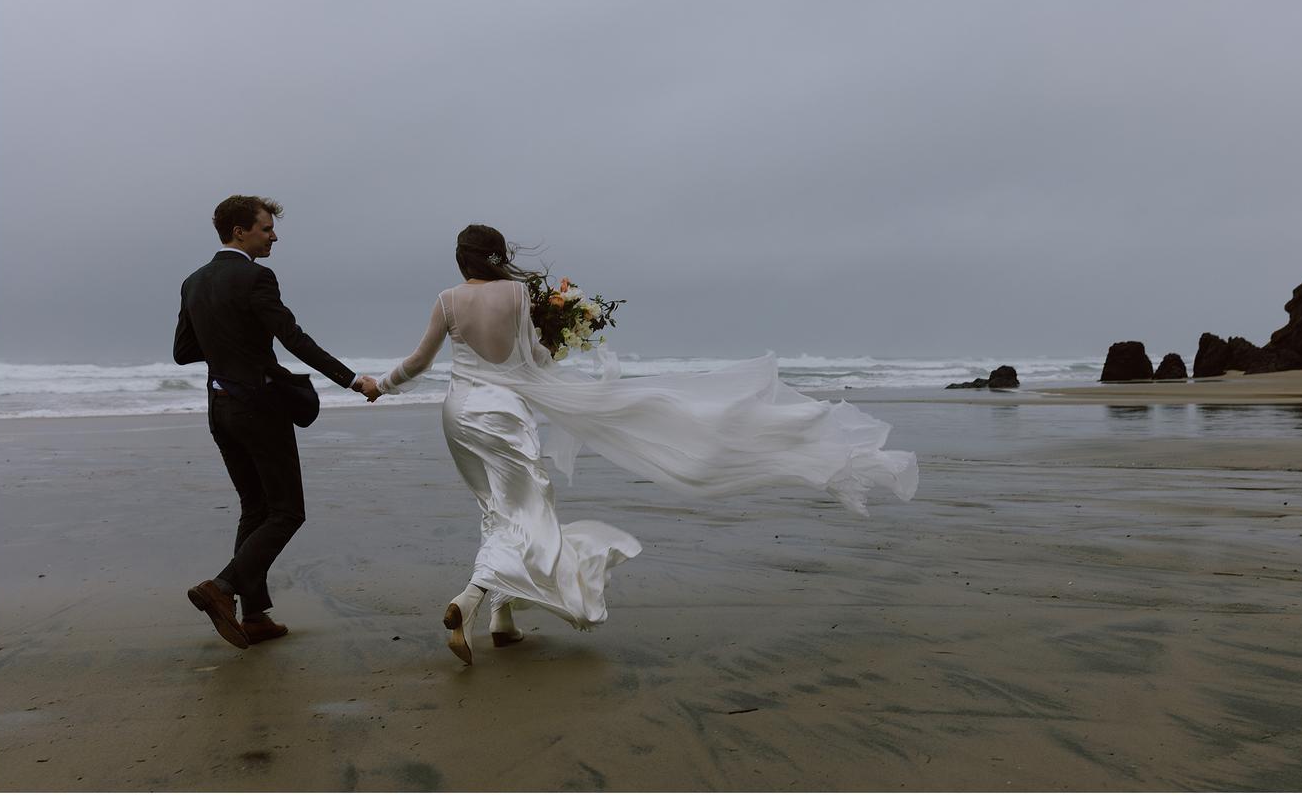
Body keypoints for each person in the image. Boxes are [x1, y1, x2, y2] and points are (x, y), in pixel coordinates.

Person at [369, 224, 918, 665]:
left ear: (461, 262)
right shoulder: (517, 295)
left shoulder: (445, 301)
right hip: (505, 415)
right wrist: (557, 351)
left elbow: (420, 362)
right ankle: (469, 601)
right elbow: (533, 362)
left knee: (501, 509)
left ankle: (503, 620)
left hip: (458, 413)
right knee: (529, 509)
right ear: (497, 257)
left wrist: (380, 385)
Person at [174, 195, 376, 649]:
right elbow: (293, 338)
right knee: (287, 511)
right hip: (259, 408)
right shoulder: (256, 277)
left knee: (255, 508)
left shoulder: (193, 282)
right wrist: (351, 380)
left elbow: (183, 351)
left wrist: (227, 341)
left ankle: (256, 615)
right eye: (266, 229)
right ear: (240, 231)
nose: (274, 236)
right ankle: (221, 588)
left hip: (219, 408)